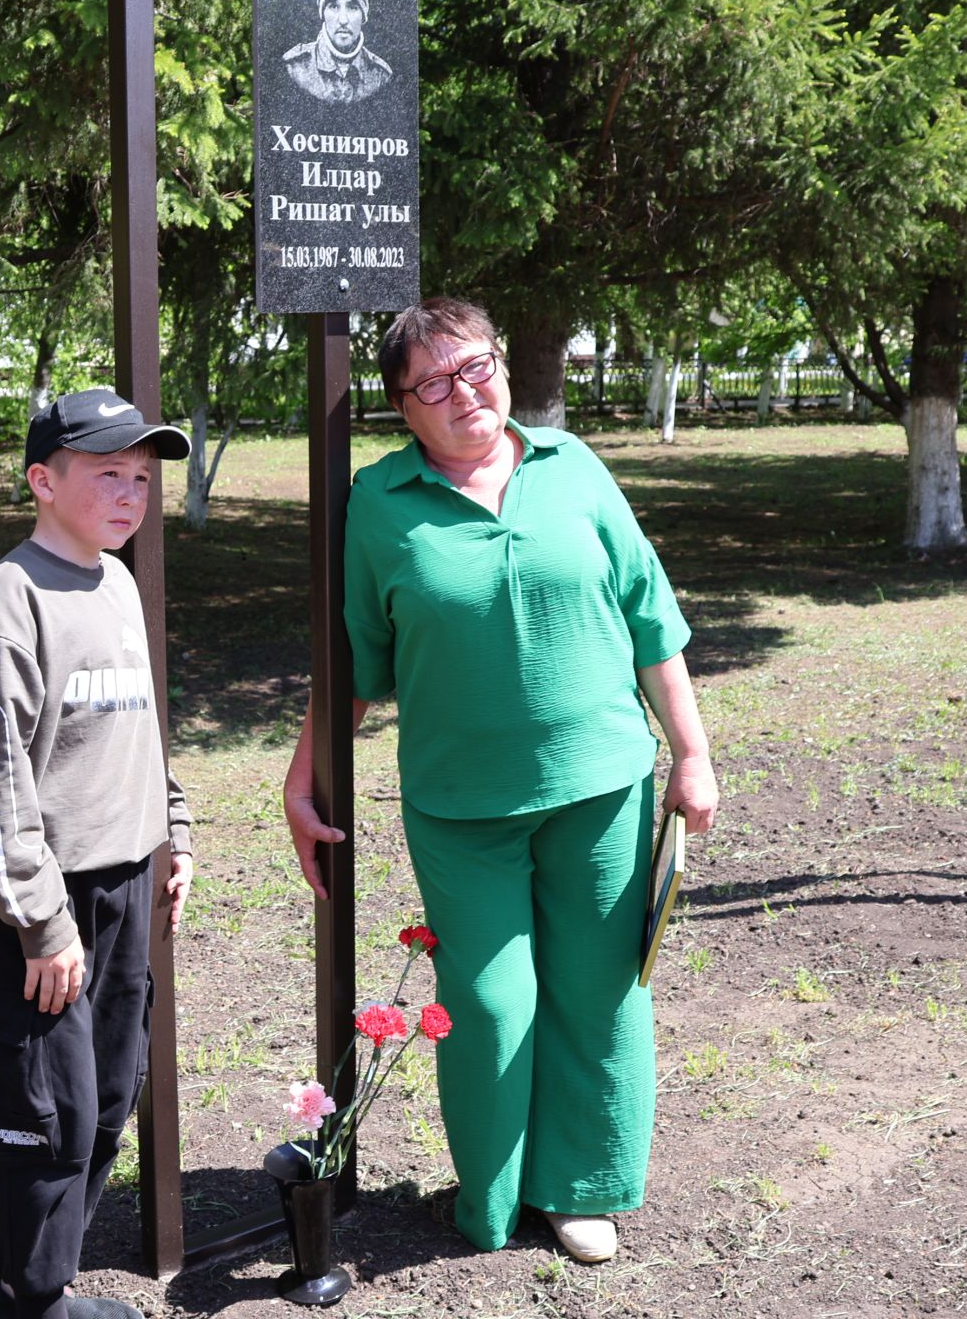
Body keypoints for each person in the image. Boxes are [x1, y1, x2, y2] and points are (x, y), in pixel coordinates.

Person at [282, 297, 718, 1265]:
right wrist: (301, 782)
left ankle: (580, 1189)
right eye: (431, 383)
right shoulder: (380, 506)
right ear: (404, 406)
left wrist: (691, 752)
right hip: (460, 808)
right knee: (487, 1005)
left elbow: (651, 616)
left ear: (502, 368)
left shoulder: (573, 468)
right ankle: (490, 1197)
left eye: (473, 365)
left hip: (601, 787)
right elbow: (352, 665)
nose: (461, 392)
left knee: (598, 992)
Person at [0, 388, 196, 1319]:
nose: (130, 495)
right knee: (43, 1113)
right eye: (107, 475)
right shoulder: (8, 603)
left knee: (106, 1099)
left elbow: (140, 729)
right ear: (42, 481)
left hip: (127, 883)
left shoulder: (117, 582)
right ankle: (32, 1301)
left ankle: (50, 1282)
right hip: (46, 908)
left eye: (141, 478)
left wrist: (172, 829)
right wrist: (43, 924)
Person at [284, 0, 392, 105]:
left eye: (353, 7)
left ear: (363, 14)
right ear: (323, 12)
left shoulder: (380, 74)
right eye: (333, 6)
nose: (343, 20)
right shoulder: (295, 67)